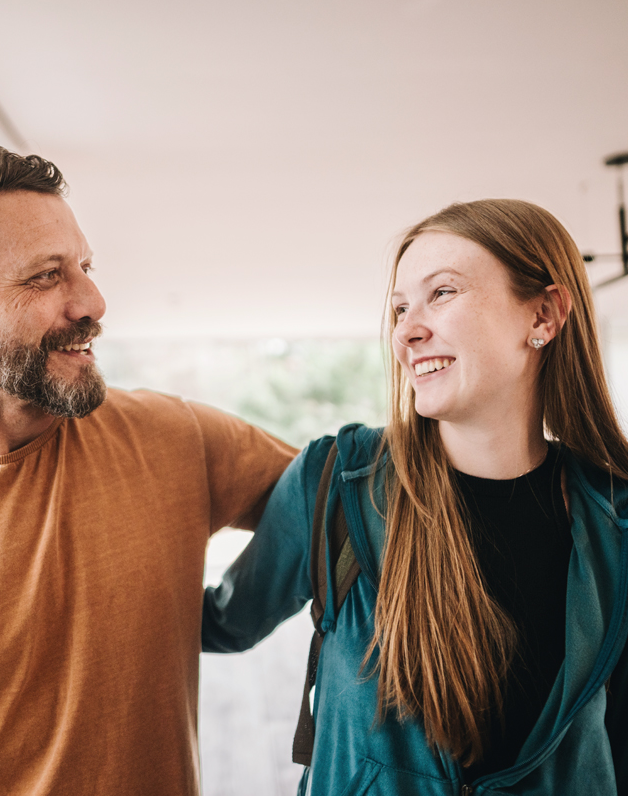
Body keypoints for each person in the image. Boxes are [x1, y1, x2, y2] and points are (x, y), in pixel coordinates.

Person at [0, 144, 295, 795]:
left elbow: (347, 503)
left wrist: (233, 613)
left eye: (85, 267)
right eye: (46, 277)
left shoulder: (177, 437)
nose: (93, 302)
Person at [203, 199, 628, 795]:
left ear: (545, 315)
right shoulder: (335, 478)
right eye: (401, 307)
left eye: (443, 293)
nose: (406, 330)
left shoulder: (614, 520)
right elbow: (220, 622)